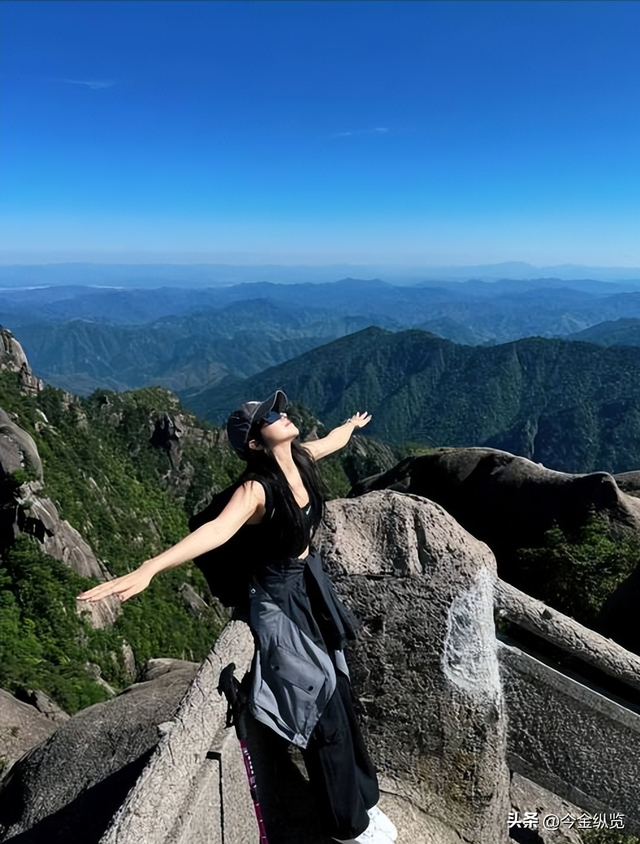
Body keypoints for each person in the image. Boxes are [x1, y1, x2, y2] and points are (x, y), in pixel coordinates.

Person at [79, 390, 398, 844]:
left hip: (309, 585)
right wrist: (149, 567)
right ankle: (347, 827)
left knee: (340, 686)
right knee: (320, 701)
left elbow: (332, 441)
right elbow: (216, 530)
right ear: (253, 442)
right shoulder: (256, 490)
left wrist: (351, 425)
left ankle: (363, 798)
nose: (282, 414)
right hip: (279, 600)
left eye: (279, 409)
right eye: (271, 416)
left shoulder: (301, 458)